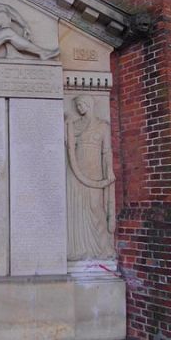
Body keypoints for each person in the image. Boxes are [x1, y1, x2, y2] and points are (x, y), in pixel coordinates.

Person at [65, 95, 115, 260]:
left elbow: (107, 152)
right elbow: (68, 144)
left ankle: (103, 248)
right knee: (78, 208)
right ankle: (79, 248)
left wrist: (109, 171)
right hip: (76, 170)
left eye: (81, 104)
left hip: (94, 171)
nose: (79, 108)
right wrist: (66, 125)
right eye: (77, 105)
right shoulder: (75, 125)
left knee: (95, 208)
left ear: (89, 104)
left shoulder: (102, 126)